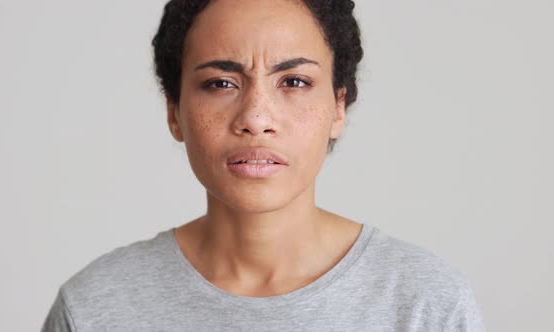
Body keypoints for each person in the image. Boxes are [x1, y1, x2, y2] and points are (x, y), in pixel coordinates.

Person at [41, 0, 486, 331]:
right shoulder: (94, 308)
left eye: (294, 82)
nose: (256, 118)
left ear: (337, 107)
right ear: (174, 110)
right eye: (220, 83)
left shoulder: (426, 306)